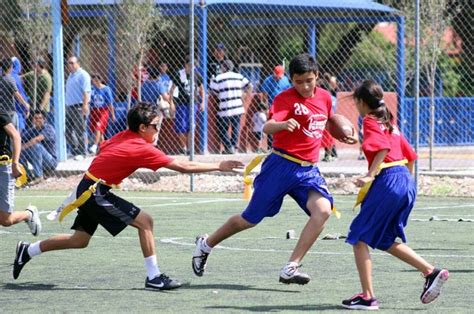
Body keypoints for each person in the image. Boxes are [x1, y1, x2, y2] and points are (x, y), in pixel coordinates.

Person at [12, 102, 244, 291]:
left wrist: (110, 171)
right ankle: (154, 277)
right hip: (95, 192)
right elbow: (182, 166)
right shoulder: (141, 147)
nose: (158, 129)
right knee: (146, 222)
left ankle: (28, 250)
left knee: (79, 240)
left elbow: (104, 149)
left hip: (88, 186)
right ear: (142, 128)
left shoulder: (126, 135)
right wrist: (219, 164)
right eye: (156, 125)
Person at [192, 53, 355, 283]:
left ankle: (291, 266)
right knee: (249, 219)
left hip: (308, 171)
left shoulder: (325, 98)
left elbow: (328, 120)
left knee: (323, 211)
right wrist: (283, 125)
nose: (305, 86)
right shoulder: (284, 98)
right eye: (299, 82)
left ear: (317, 76)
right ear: (291, 79)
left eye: (309, 80)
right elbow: (268, 126)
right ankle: (206, 244)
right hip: (280, 166)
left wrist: (345, 134)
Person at [341, 80, 449, 310]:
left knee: (358, 237)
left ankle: (367, 297)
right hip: (405, 181)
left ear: (361, 102)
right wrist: (404, 184)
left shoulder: (370, 120)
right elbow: (410, 157)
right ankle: (431, 272)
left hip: (389, 180)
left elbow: (382, 149)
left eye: (356, 102)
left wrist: (371, 175)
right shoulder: (390, 124)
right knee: (383, 239)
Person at [1, 111, 41, 235]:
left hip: (3, 167)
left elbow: (16, 136)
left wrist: (15, 163)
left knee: (6, 220)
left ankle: (29, 214)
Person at [210, 59, 252, 154]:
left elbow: (214, 91)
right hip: (237, 106)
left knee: (222, 128)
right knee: (235, 127)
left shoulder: (219, 77)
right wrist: (244, 95)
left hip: (225, 106)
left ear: (224, 67)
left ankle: (229, 147)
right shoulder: (239, 76)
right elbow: (250, 86)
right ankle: (233, 146)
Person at [169, 56, 204, 154]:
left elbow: (202, 89)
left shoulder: (196, 75)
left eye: (194, 66)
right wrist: (171, 103)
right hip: (181, 104)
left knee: (191, 126)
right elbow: (171, 90)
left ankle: (189, 149)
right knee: (181, 126)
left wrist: (202, 102)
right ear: (186, 65)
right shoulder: (180, 75)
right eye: (190, 65)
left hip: (193, 104)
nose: (192, 68)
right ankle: (183, 147)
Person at [20, 110, 57, 184]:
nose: (38, 120)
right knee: (20, 151)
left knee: (36, 146)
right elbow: (20, 138)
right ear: (33, 120)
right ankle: (27, 176)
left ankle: (38, 176)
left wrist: (22, 147)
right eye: (35, 118)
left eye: (40, 118)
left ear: (44, 119)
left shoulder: (49, 128)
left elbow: (37, 139)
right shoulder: (32, 130)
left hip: (50, 161)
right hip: (37, 159)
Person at [65, 56, 91, 160]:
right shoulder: (71, 76)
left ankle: (82, 152)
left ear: (78, 63)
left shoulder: (83, 75)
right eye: (68, 63)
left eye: (72, 63)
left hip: (79, 106)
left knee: (80, 130)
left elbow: (86, 92)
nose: (69, 65)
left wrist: (85, 105)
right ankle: (75, 150)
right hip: (69, 107)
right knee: (67, 130)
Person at [260, 65, 292, 148]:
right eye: (277, 76)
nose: (279, 78)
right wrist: (266, 107)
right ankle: (271, 146)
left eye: (280, 76)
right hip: (272, 105)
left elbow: (288, 93)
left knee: (282, 125)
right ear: (273, 73)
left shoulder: (285, 80)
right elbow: (264, 95)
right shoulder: (268, 80)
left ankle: (282, 145)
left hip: (283, 106)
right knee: (272, 124)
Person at [0, 58, 30, 130]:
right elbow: (18, 94)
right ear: (11, 67)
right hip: (12, 110)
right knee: (16, 133)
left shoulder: (2, 77)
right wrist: (26, 105)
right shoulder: (12, 78)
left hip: (2, 110)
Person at [89, 74, 115, 154]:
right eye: (93, 81)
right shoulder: (92, 89)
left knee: (98, 127)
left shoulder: (106, 89)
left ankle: (95, 145)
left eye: (97, 81)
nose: (95, 83)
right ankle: (104, 150)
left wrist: (113, 115)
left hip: (103, 111)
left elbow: (110, 103)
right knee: (100, 132)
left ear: (100, 80)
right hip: (94, 111)